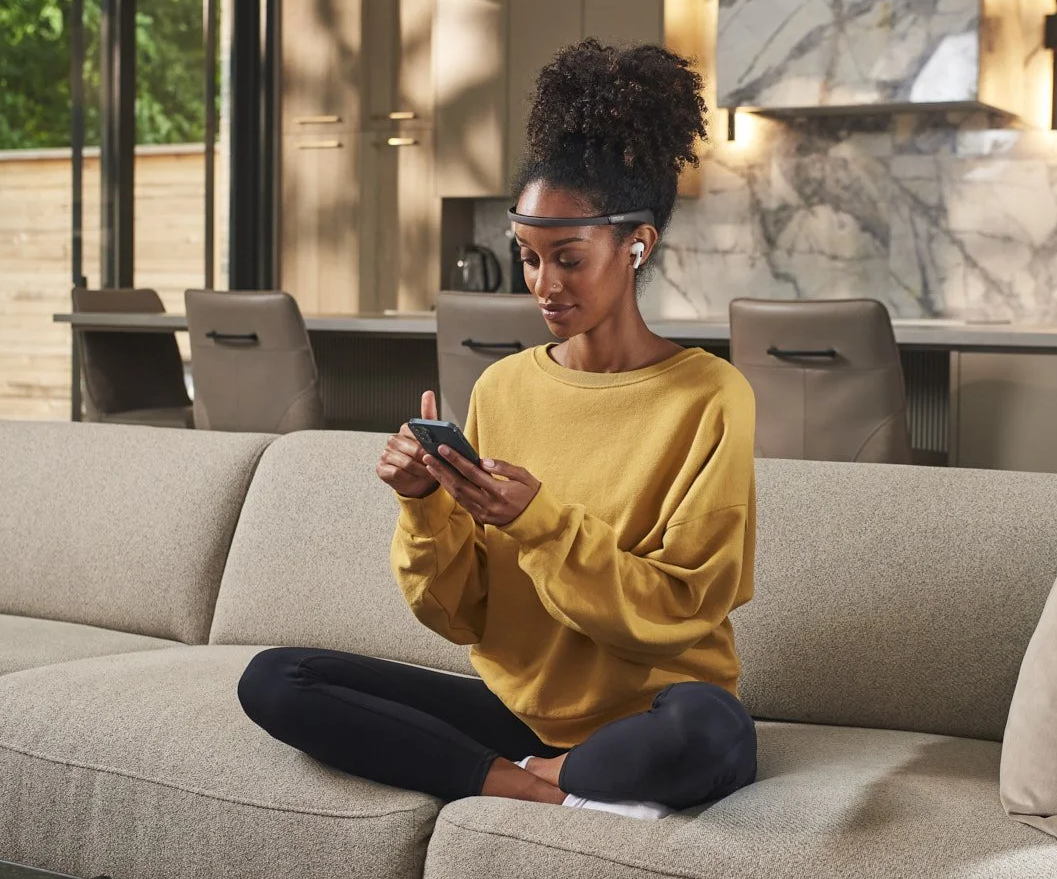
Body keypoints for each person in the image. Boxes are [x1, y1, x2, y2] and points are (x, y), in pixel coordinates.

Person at [238, 40, 757, 819]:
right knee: (277, 678)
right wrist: (424, 506)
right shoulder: (503, 386)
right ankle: (535, 781)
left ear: (637, 244)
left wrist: (540, 522)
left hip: (653, 709)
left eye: (568, 258)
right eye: (529, 257)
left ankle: (528, 771)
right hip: (520, 709)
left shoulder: (711, 396)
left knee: (710, 731)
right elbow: (464, 616)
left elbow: (679, 610)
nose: (544, 284)